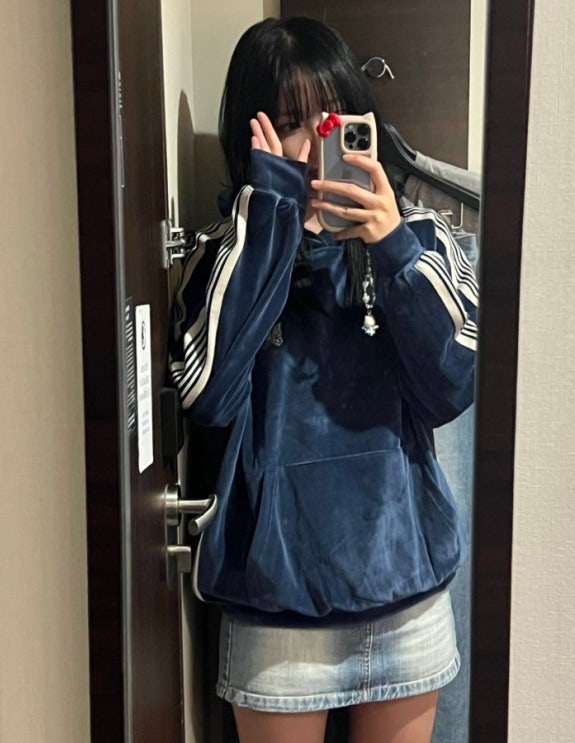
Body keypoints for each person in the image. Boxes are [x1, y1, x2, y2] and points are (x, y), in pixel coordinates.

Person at [168, 16, 478, 743]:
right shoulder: (228, 253)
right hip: (277, 614)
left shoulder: (422, 237)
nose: (314, 146)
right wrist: (272, 220)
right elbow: (206, 395)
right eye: (288, 124)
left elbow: (451, 387)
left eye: (332, 120)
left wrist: (392, 248)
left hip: (405, 600)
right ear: (252, 135)